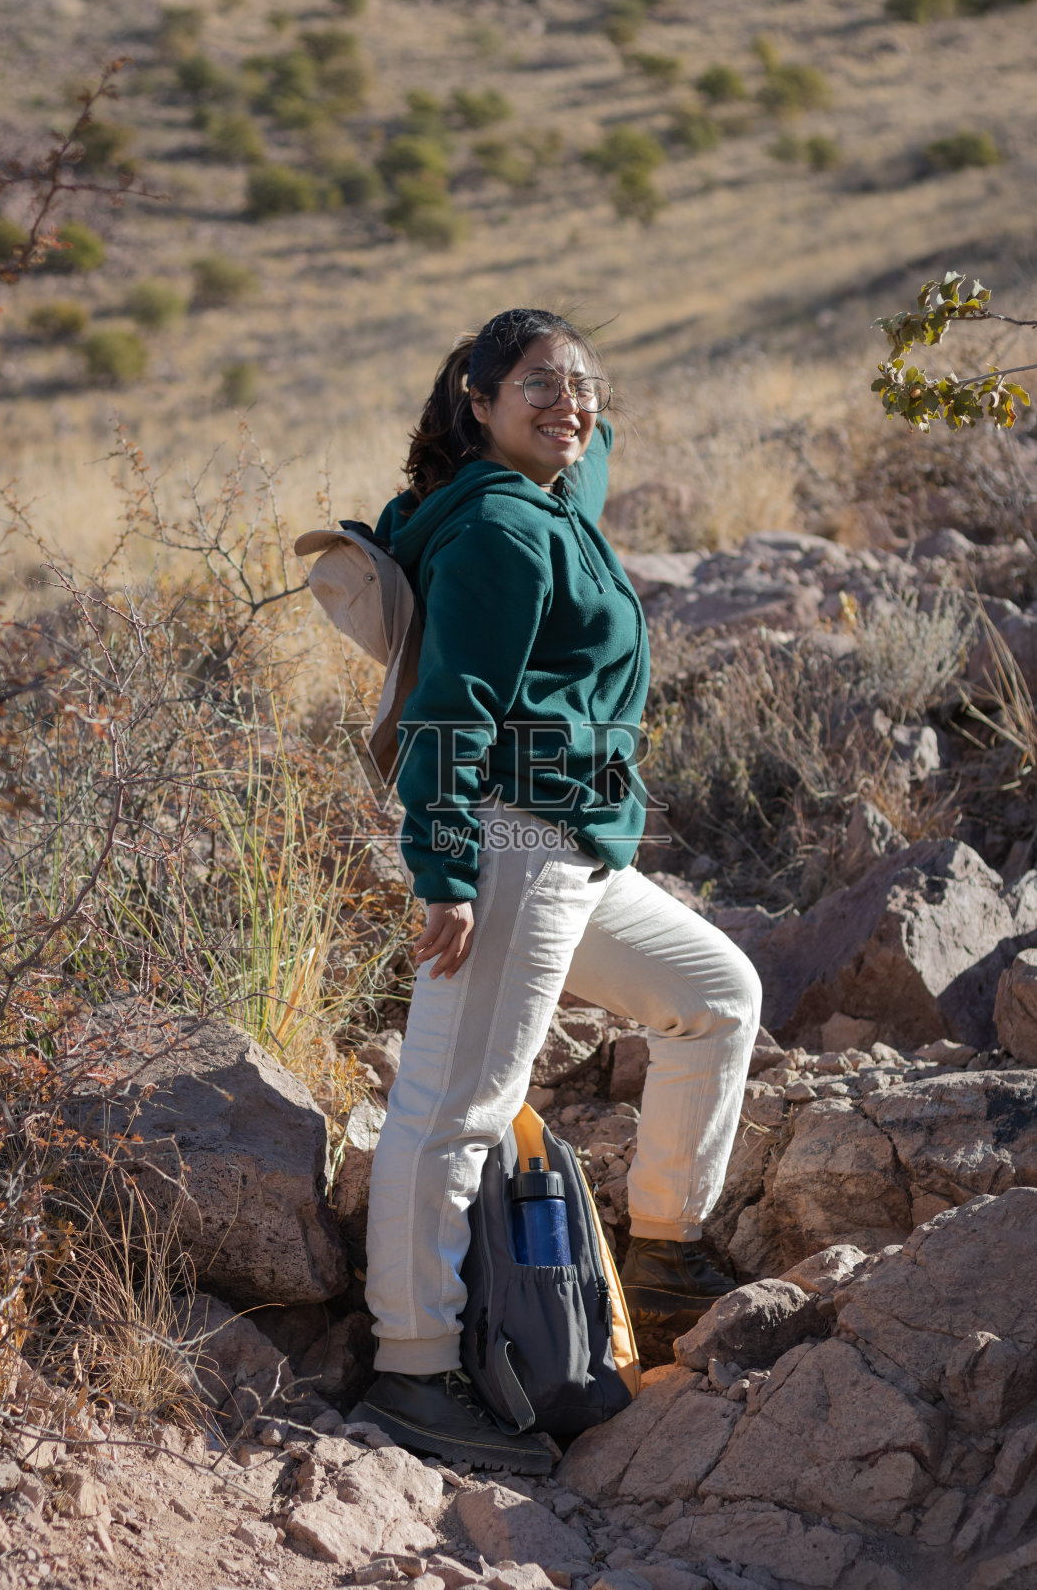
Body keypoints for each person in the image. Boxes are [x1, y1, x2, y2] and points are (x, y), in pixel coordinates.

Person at [350, 308, 762, 1472]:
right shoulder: (498, 530)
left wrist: (566, 404)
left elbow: (588, 440)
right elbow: (450, 710)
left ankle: (665, 1254)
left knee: (714, 996)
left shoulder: (550, 502)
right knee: (455, 1103)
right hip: (509, 844)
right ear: (476, 402)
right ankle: (412, 1367)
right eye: (536, 385)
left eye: (581, 385)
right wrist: (443, 872)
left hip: (576, 851)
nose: (568, 403)